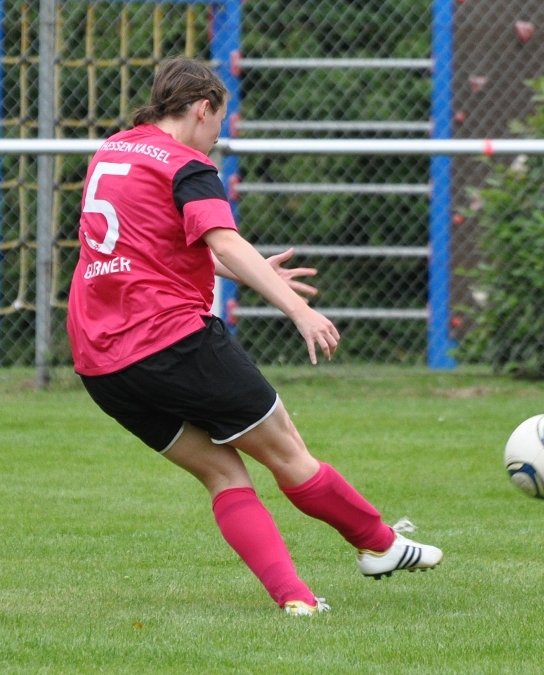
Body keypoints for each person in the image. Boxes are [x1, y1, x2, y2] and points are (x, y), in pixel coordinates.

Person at [66, 56, 442, 616]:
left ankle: (296, 599)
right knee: (287, 451)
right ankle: (379, 545)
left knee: (222, 472)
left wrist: (248, 271)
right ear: (202, 108)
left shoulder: (114, 150)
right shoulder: (187, 165)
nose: (218, 137)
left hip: (101, 363)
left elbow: (149, 245)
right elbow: (223, 241)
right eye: (220, 122)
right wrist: (299, 310)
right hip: (170, 340)